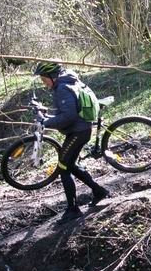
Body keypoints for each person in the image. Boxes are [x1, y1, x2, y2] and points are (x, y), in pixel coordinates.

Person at [34, 61, 109, 223]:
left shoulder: (62, 88)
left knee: (63, 168)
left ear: (53, 76)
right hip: (80, 130)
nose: (43, 82)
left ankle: (73, 209)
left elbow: (69, 116)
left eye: (44, 79)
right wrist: (47, 116)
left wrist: (46, 122)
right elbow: (67, 110)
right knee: (70, 165)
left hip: (78, 132)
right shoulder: (67, 81)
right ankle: (99, 191)